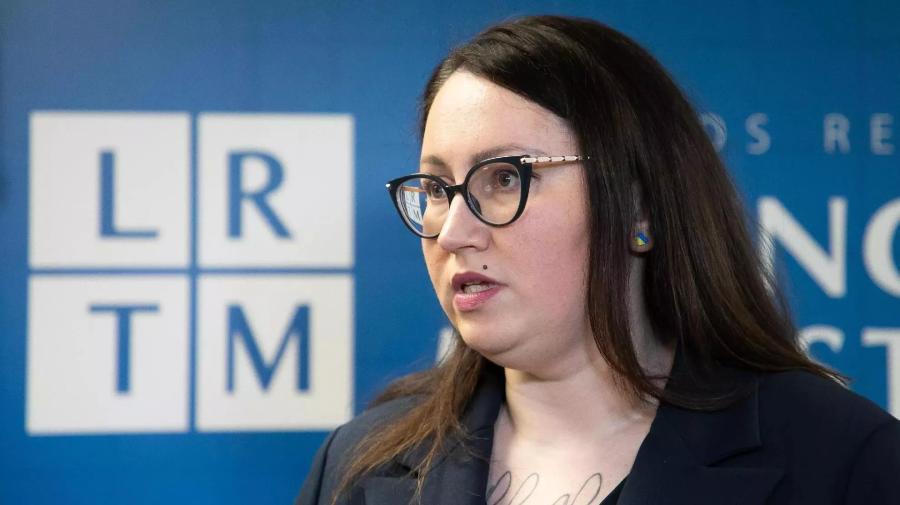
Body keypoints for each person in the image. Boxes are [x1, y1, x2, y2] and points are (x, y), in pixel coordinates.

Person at [295, 14, 900, 505]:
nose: (453, 232)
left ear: (640, 206)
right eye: (436, 189)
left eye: (504, 178)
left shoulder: (842, 460)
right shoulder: (356, 466)